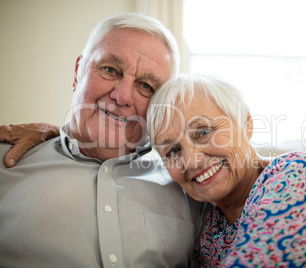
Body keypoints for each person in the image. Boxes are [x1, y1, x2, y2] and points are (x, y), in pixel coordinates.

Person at [0, 13, 203, 267]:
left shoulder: (190, 187)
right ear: (78, 72)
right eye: (110, 70)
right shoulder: (7, 162)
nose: (122, 96)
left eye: (146, 87)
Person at [145, 74, 306, 267]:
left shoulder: (299, 175)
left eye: (203, 132)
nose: (191, 160)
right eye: (173, 151)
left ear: (246, 124)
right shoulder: (212, 226)